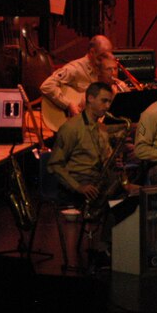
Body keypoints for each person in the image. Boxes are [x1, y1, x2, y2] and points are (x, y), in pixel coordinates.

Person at [46, 81, 124, 269]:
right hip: (77, 184)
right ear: (90, 98)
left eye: (109, 102)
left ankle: (105, 248)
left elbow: (104, 160)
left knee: (127, 198)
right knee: (116, 199)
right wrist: (78, 187)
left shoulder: (101, 130)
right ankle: (102, 249)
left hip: (97, 181)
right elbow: (54, 165)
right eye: (104, 101)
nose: (107, 106)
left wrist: (113, 162)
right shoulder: (71, 128)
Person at [39, 35, 114, 129]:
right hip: (72, 124)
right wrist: (68, 105)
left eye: (107, 57)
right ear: (92, 52)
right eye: (101, 57)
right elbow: (47, 86)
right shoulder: (75, 69)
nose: (103, 61)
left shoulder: (102, 70)